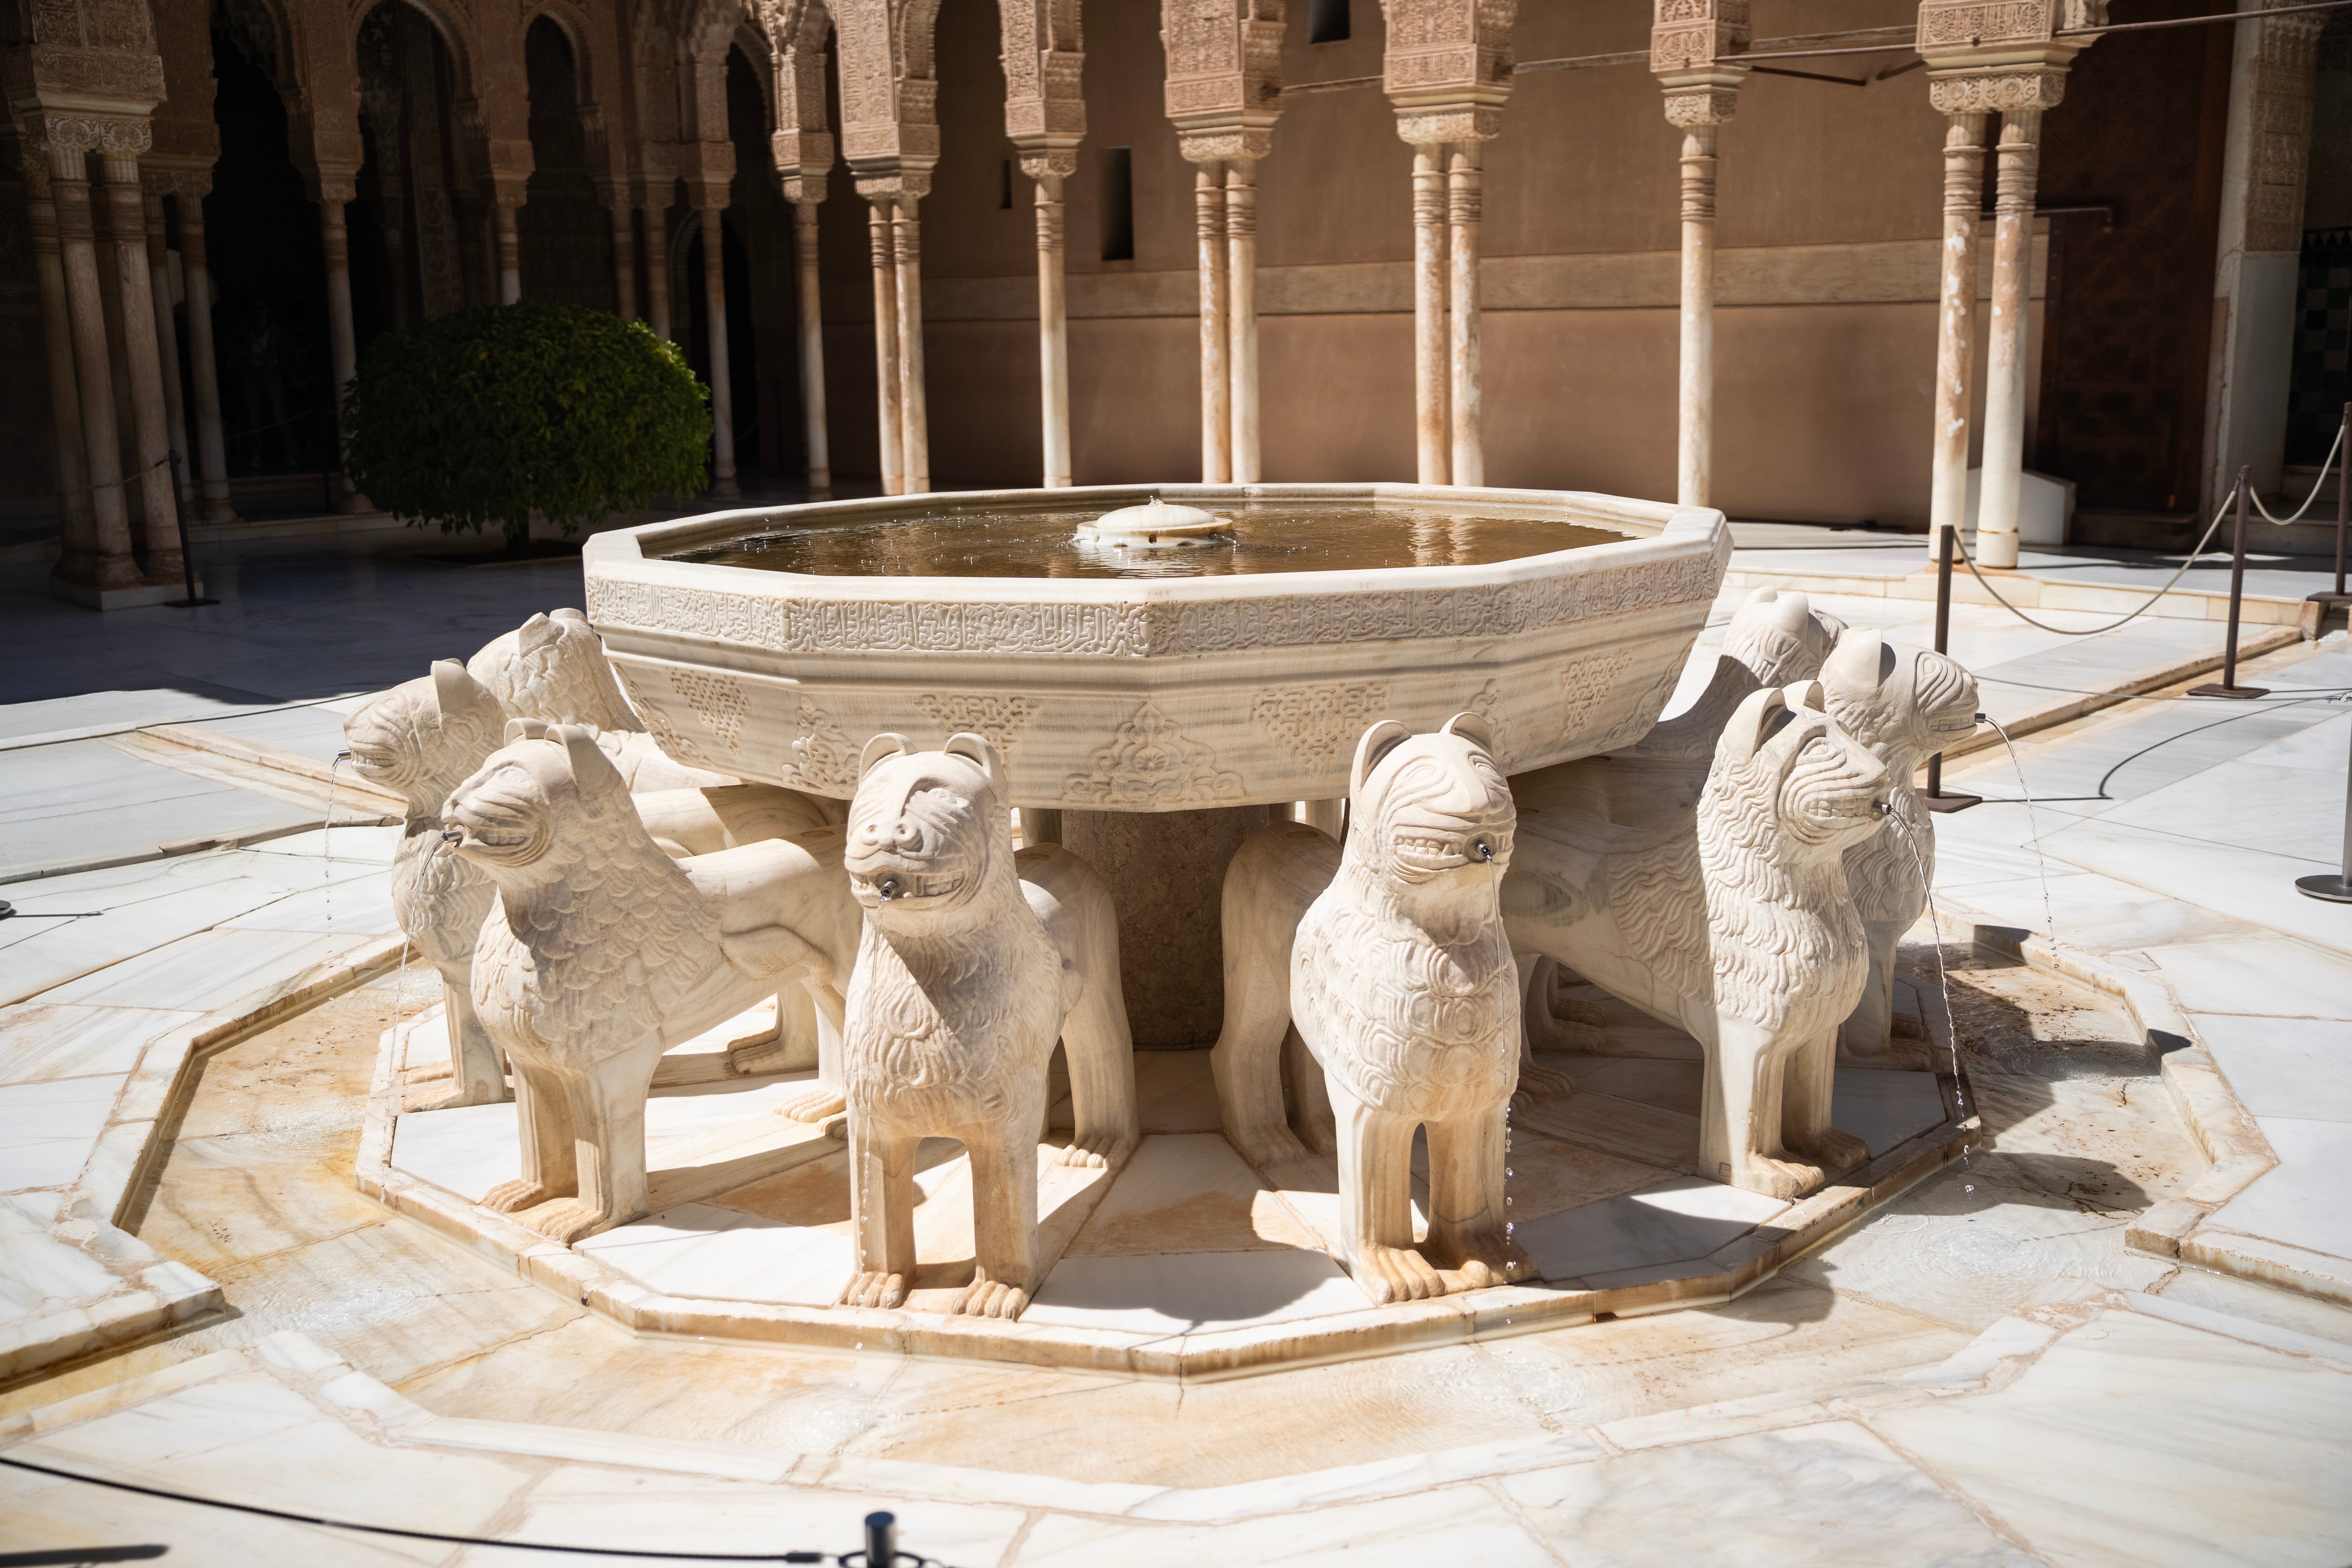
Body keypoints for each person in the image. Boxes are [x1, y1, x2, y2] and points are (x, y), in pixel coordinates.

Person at [234, 300, 303, 471]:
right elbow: (240, 350)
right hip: (251, 373)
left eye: (263, 308)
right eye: (257, 309)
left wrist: (249, 355)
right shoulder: (249, 330)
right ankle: (256, 456)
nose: (260, 312)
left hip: (270, 373)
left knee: (279, 415)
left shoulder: (275, 331)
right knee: (253, 417)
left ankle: (290, 454)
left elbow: (271, 353)